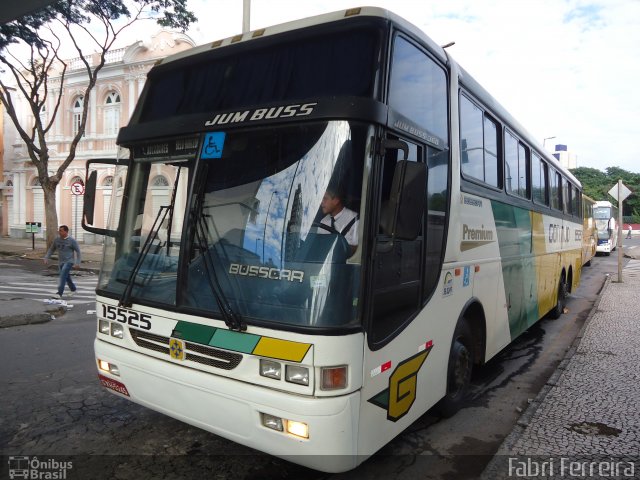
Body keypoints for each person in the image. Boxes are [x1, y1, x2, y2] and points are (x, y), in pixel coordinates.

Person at [44, 225, 82, 299]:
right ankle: (73, 289)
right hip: (61, 262)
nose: (59, 232)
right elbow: (51, 249)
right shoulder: (57, 240)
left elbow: (78, 252)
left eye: (61, 230)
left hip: (69, 262)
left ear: (66, 231)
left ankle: (59, 293)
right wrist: (46, 257)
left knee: (62, 276)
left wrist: (77, 263)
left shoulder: (72, 241)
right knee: (66, 277)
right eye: (59, 230)